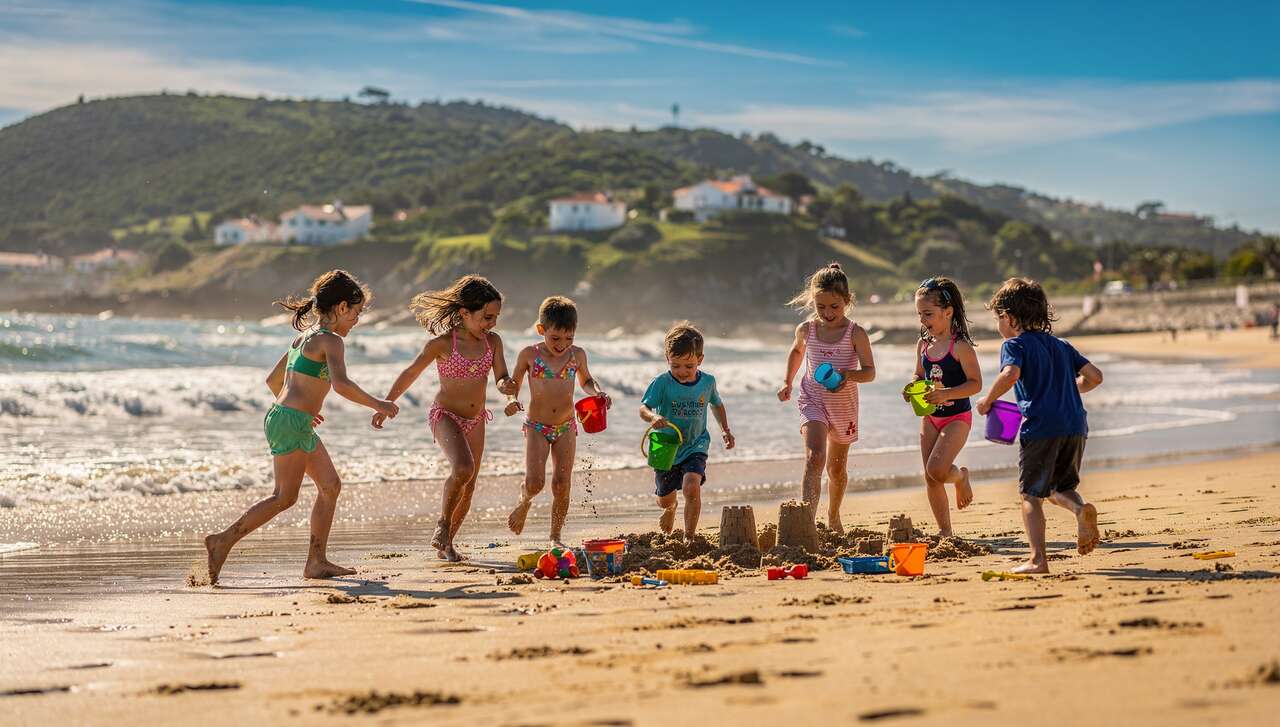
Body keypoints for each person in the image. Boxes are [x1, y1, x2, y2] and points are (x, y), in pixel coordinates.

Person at [205, 270, 398, 584]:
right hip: (292, 421)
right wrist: (379, 404)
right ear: (341, 308)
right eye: (357, 312)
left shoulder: (302, 338)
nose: (357, 320)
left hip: (290, 418)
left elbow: (273, 381)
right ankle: (222, 541)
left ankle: (316, 561)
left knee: (330, 486)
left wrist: (302, 407)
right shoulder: (331, 341)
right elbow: (341, 384)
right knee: (284, 497)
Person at [374, 275, 514, 562]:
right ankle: (442, 523)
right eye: (487, 317)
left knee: (470, 485)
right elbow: (411, 372)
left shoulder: (493, 342)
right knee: (463, 468)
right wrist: (386, 402)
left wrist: (506, 389)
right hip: (445, 416)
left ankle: (447, 544)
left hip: (476, 419)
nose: (492, 324)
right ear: (465, 313)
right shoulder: (442, 344)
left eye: (496, 317)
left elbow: (501, 377)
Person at [977, 278, 1105, 574]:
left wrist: (987, 401)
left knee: (1030, 496)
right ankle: (1079, 509)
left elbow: (1010, 374)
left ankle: (1037, 560)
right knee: (1060, 487)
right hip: (1075, 425)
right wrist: (1068, 388)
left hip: (1042, 426)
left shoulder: (1014, 344)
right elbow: (1095, 377)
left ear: (1008, 318)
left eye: (998, 318)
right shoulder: (1061, 345)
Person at [777, 263, 876, 533]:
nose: (827, 313)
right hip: (813, 399)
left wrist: (847, 375)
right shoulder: (806, 330)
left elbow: (870, 373)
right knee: (815, 457)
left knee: (836, 470)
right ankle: (806, 521)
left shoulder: (855, 333)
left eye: (834, 306)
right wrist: (787, 381)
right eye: (821, 306)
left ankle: (833, 515)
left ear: (847, 300)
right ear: (813, 301)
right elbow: (797, 353)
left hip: (843, 405)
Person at [505, 296, 611, 546]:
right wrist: (511, 400)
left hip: (566, 426)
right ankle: (525, 500)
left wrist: (597, 393)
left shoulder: (577, 355)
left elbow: (586, 381)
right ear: (541, 330)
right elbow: (514, 385)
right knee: (535, 482)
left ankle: (555, 536)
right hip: (537, 427)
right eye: (555, 338)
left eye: (569, 338)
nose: (562, 344)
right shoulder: (529, 355)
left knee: (562, 484)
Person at [639, 322, 734, 535]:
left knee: (692, 486)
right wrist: (653, 417)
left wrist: (725, 430)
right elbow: (643, 408)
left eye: (689, 366)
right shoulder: (662, 382)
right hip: (665, 446)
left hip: (695, 444)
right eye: (676, 366)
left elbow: (717, 404)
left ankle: (689, 538)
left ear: (700, 360)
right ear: (667, 360)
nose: (682, 372)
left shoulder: (708, 382)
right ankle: (671, 509)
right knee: (665, 499)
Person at [910, 277, 981, 536]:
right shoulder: (923, 345)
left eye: (927, 313)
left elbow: (976, 384)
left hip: (956, 417)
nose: (922, 320)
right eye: (919, 314)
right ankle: (945, 530)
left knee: (937, 470)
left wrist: (947, 394)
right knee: (930, 477)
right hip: (929, 416)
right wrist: (913, 387)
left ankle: (960, 478)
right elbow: (919, 374)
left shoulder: (960, 347)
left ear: (948, 312)